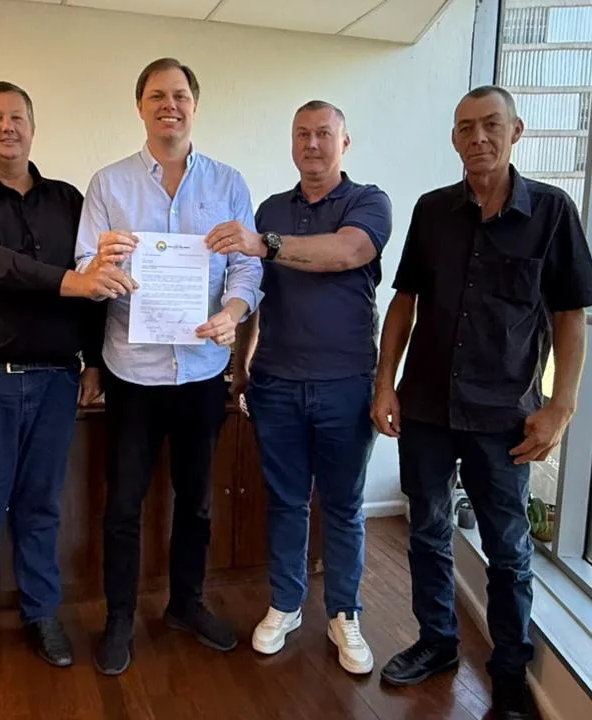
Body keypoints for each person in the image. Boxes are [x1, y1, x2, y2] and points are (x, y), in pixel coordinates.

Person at [373, 86, 592, 719]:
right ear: (454, 138)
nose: (478, 137)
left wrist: (562, 407)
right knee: (427, 529)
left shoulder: (552, 212)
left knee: (507, 547)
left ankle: (508, 672)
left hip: (504, 416)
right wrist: (384, 383)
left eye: (491, 125)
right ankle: (438, 642)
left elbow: (571, 315)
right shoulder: (432, 210)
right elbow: (404, 303)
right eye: (466, 127)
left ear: (515, 131)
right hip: (426, 405)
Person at [0, 81, 124, 691]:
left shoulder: (68, 200)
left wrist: (94, 360)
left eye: (17, 117)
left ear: (33, 128)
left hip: (57, 381)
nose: (7, 127)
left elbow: (97, 281)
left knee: (41, 509)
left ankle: (41, 615)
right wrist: (71, 282)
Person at [75, 57, 264, 676]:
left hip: (203, 371)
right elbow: (82, 268)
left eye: (180, 95)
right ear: (140, 106)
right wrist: (101, 266)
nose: (169, 105)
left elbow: (247, 266)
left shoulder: (228, 183)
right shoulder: (109, 184)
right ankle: (119, 618)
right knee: (123, 506)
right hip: (132, 373)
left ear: (194, 105)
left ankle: (186, 602)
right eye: (157, 95)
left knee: (198, 502)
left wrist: (233, 312)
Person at [215, 101, 391, 675]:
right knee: (287, 502)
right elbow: (255, 293)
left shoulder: (368, 202)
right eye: (301, 134)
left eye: (323, 134)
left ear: (345, 142)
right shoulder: (271, 209)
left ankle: (344, 613)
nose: (312, 144)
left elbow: (347, 252)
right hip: (276, 385)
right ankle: (286, 604)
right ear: (292, 143)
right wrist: (241, 365)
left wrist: (264, 242)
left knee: (342, 507)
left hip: (346, 386)